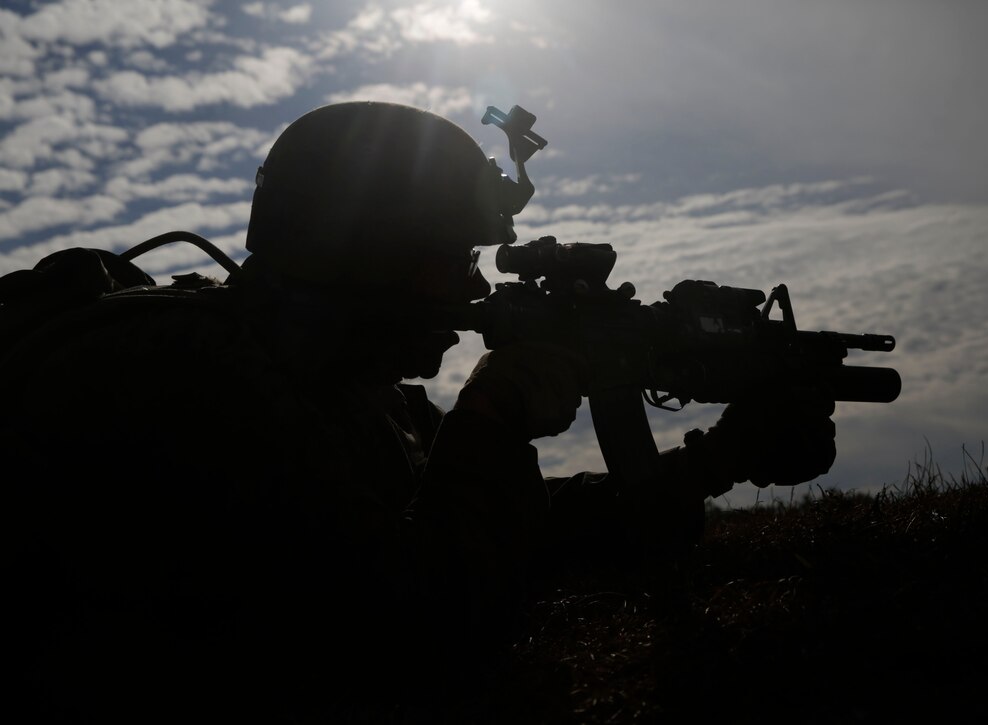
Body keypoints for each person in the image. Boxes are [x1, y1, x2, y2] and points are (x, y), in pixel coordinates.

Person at [0, 102, 835, 722]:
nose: (475, 287)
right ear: (372, 249)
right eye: (456, 257)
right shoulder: (194, 373)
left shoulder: (349, 393)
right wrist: (498, 410)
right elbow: (407, 635)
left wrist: (716, 462)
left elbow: (505, 529)